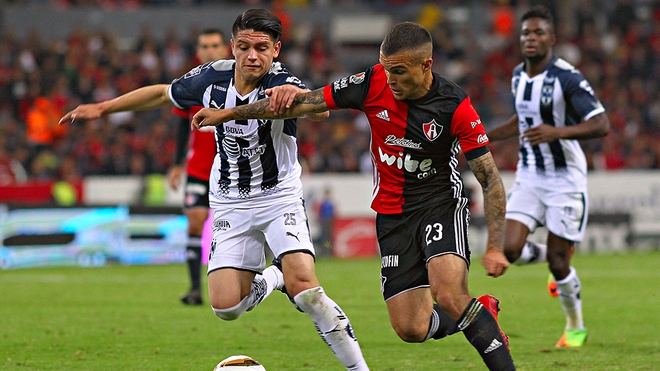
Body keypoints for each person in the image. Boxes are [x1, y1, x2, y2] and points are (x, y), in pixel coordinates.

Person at [192, 21, 515, 371]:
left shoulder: (455, 106)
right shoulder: (372, 82)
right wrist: (230, 113)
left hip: (439, 205)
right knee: (411, 328)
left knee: (449, 294)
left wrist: (496, 246)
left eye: (400, 72)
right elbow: (311, 102)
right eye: (387, 68)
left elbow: (491, 179)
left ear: (426, 65)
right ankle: (481, 311)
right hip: (393, 215)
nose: (390, 79)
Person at [59, 9, 370, 371]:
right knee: (226, 308)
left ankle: (358, 368)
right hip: (229, 202)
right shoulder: (211, 78)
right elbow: (163, 94)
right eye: (244, 46)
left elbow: (320, 113)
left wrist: (296, 96)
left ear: (276, 50)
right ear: (232, 47)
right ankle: (274, 276)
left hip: (278, 197)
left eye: (262, 48)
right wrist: (103, 107)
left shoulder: (283, 81)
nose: (253, 55)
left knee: (308, 291)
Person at [486, 5, 610, 348]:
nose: (531, 38)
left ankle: (575, 326)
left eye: (539, 33)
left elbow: (602, 124)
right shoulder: (517, 75)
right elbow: (522, 119)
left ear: (552, 39)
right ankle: (552, 254)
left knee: (559, 264)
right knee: (509, 249)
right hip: (530, 174)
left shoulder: (567, 77)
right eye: (526, 32)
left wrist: (557, 132)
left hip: (565, 179)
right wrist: (485, 136)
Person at [167, 28, 228, 306]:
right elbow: (181, 126)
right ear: (198, 50)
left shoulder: (237, 80)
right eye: (204, 46)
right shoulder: (192, 84)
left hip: (232, 167)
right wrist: (177, 164)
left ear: (225, 49)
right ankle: (194, 288)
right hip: (199, 167)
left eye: (215, 45)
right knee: (195, 220)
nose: (210, 50)